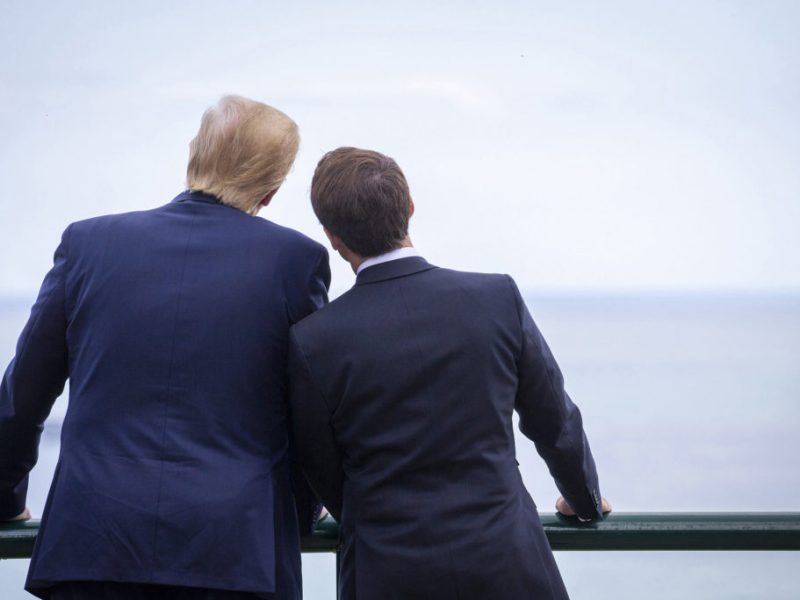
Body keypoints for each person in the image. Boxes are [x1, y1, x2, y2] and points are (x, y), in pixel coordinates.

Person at [0, 95, 330, 599]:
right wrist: (308, 510)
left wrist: (5, 500)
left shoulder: (87, 243)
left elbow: (23, 396)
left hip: (92, 543)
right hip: (235, 552)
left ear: (192, 154)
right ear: (271, 190)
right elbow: (310, 413)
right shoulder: (294, 261)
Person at [288, 147, 611, 600]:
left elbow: (320, 470)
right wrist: (584, 500)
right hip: (507, 563)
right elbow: (553, 419)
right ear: (411, 209)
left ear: (332, 236)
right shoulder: (497, 298)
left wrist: (344, 515)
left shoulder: (313, 341)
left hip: (388, 573)